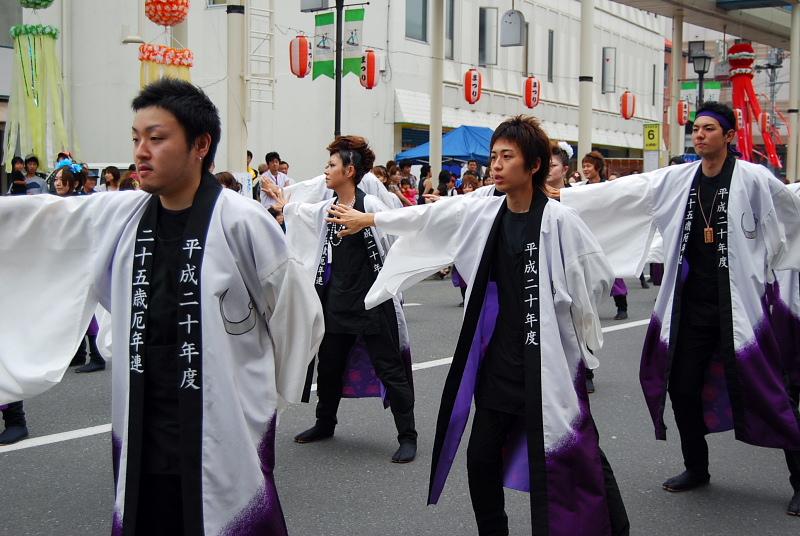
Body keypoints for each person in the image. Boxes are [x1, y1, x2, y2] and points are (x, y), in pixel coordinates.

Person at [0, 78, 324, 534]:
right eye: (136, 139)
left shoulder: (242, 220)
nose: (140, 152)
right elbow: (35, 225)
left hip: (222, 425)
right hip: (144, 427)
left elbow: (296, 318)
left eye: (156, 138)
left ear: (200, 144)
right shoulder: (119, 216)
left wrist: (261, 400)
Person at [328, 115, 629, 535]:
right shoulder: (487, 213)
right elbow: (434, 218)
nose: (497, 165)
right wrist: (371, 221)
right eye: (494, 156)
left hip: (547, 366)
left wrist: (567, 313)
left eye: (508, 156)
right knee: (481, 461)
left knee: (576, 450)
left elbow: (596, 276)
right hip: (500, 366)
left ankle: (616, 526)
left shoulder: (560, 221)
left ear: (534, 165)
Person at [561, 101, 800, 516]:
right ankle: (697, 466)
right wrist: (563, 196)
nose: (700, 134)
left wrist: (773, 259)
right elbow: (624, 193)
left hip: (741, 311)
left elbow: (792, 216)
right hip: (689, 308)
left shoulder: (755, 179)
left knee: (770, 392)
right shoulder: (678, 179)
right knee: (682, 387)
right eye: (697, 128)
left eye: (710, 128)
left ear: (728, 137)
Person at [284, 135, 417, 463]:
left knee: (390, 368)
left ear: (350, 170)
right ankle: (324, 422)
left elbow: (401, 228)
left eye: (332, 164)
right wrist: (280, 201)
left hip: (372, 303)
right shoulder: (328, 208)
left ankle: (408, 435)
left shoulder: (369, 206)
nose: (326, 170)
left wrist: (367, 224)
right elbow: (299, 211)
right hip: (336, 303)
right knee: (328, 368)